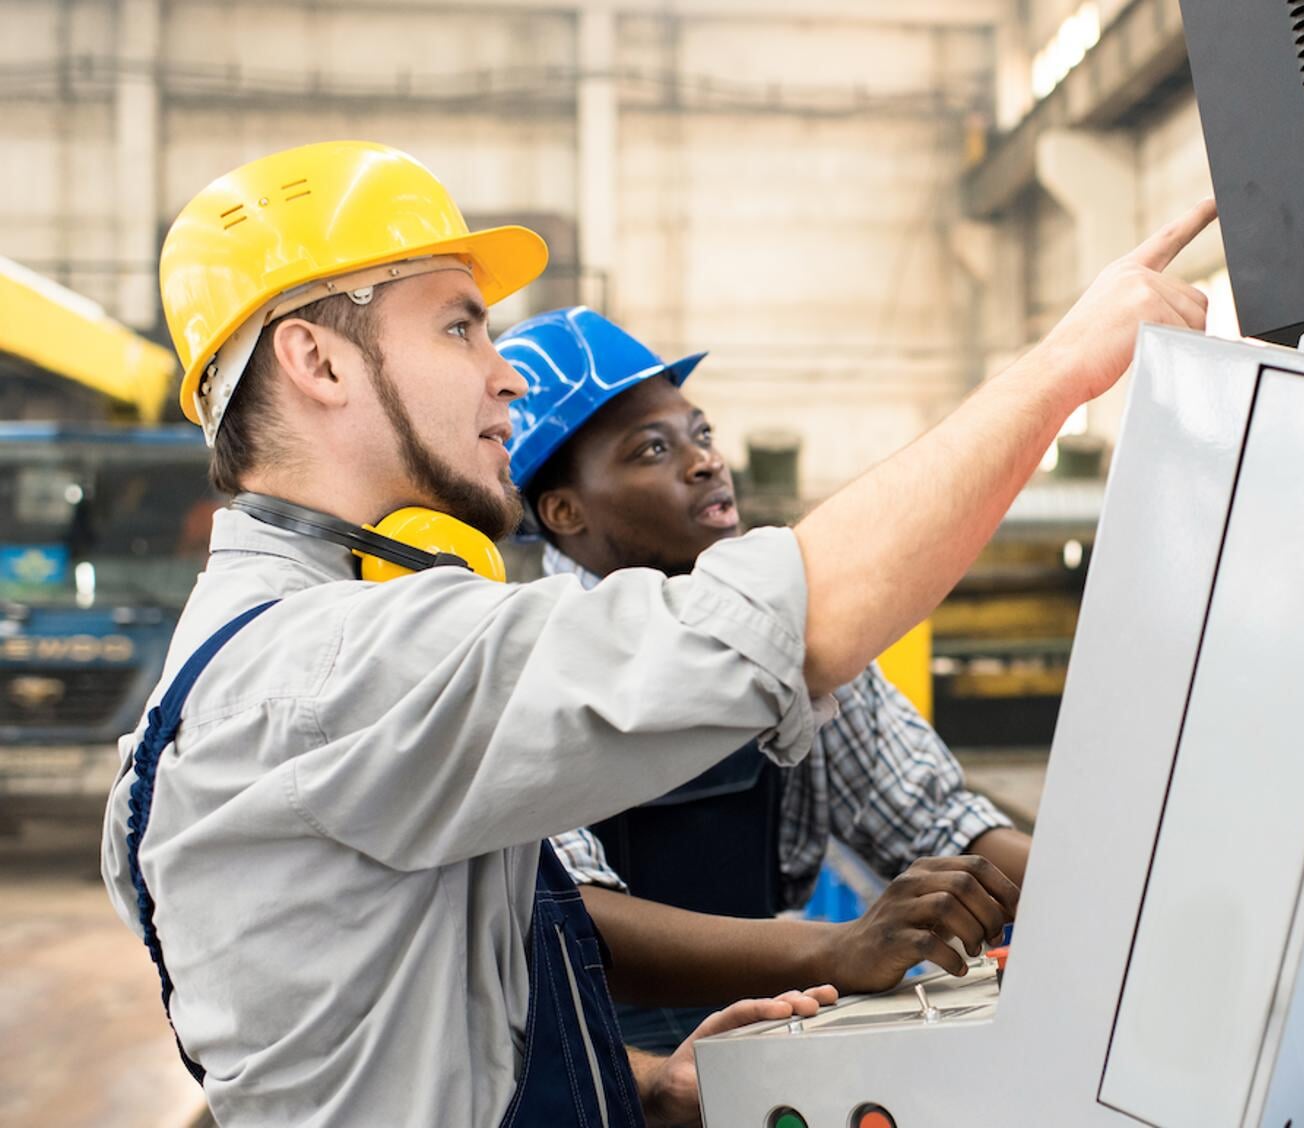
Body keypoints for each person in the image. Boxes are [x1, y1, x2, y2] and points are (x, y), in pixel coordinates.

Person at [98, 138, 1214, 1126]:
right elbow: (779, 626)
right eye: (458, 325)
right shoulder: (325, 664)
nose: (500, 374)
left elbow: (411, 1034)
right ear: (318, 362)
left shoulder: (266, 659)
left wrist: (645, 1085)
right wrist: (1066, 365)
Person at [494, 307, 1032, 1052]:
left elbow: (931, 817)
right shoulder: (522, 659)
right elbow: (568, 918)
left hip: (765, 1015)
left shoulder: (789, 633)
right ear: (563, 509)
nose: (706, 462)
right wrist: (837, 948)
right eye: (653, 449)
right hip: (597, 1047)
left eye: (702, 434)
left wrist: (1120, 897)